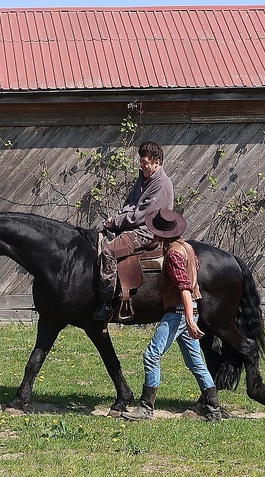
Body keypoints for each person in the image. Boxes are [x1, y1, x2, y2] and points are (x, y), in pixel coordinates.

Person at [121, 208, 221, 422]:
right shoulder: (187, 248)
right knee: (196, 362)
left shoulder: (174, 254)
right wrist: (192, 315)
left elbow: (184, 287)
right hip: (189, 312)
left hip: (178, 313)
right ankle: (214, 411)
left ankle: (146, 408)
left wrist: (187, 317)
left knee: (151, 354)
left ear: (160, 234)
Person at [94, 140, 174, 321]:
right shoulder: (143, 179)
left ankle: (106, 303)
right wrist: (115, 219)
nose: (142, 166)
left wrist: (116, 222)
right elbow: (129, 204)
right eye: (141, 162)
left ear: (156, 161)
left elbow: (141, 215)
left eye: (145, 163)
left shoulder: (161, 184)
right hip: (133, 225)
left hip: (147, 231)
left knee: (108, 252)